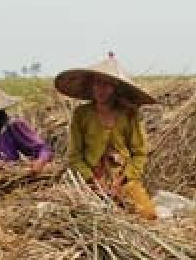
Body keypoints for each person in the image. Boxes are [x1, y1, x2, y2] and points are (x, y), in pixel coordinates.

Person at [55, 54, 158, 220]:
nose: (100, 89)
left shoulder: (129, 114)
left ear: (115, 88)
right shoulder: (82, 114)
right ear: (92, 86)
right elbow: (75, 156)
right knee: (88, 218)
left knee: (148, 215)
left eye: (106, 85)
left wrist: (123, 179)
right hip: (91, 180)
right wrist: (93, 181)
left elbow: (139, 153)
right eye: (97, 83)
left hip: (122, 179)